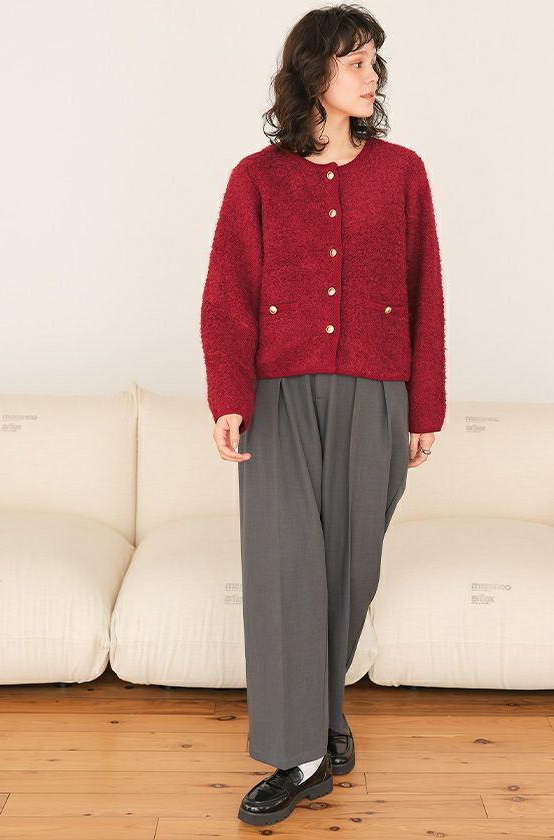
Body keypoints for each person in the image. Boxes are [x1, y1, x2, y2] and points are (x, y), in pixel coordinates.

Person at [200, 3, 446, 826]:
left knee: (348, 571)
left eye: (375, 61)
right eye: (356, 62)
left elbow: (425, 290)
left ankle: (324, 714)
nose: (373, 75)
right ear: (314, 73)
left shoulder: (402, 172)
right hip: (276, 397)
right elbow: (227, 297)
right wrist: (229, 397)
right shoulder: (256, 178)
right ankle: (298, 756)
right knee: (285, 571)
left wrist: (425, 405)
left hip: (376, 393)